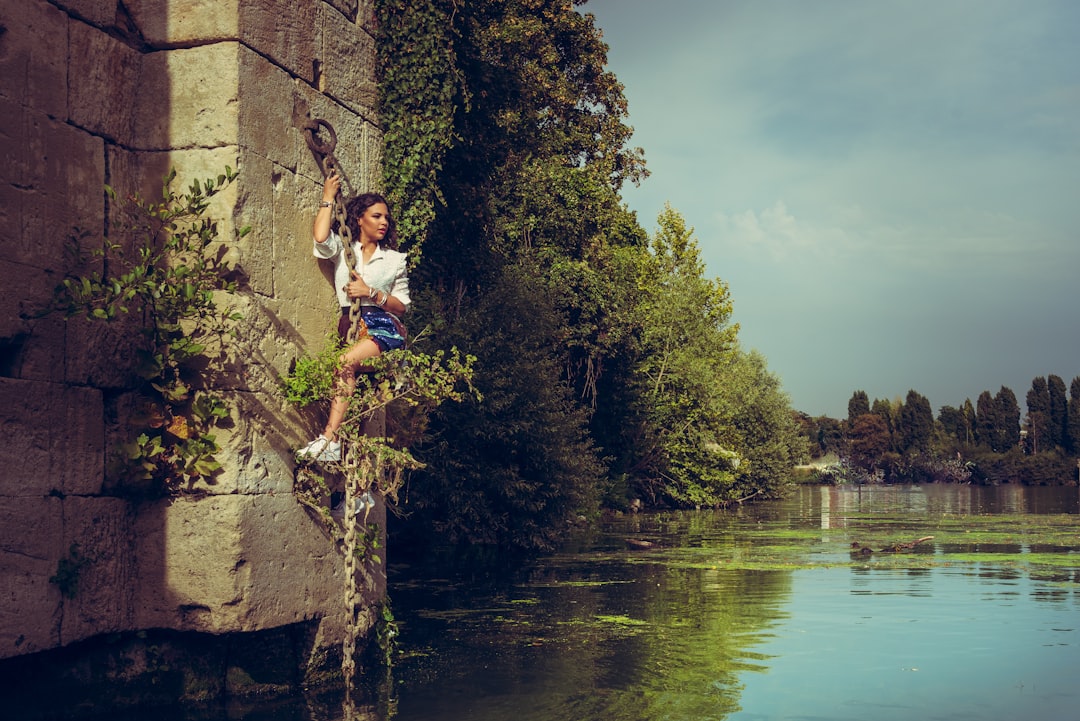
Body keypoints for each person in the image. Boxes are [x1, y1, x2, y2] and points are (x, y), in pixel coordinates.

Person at [296, 170, 410, 462]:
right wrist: (327, 198)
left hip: (383, 327)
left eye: (386, 217)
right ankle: (360, 488)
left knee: (345, 363)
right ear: (359, 219)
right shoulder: (345, 248)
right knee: (354, 397)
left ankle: (329, 440)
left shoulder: (395, 260)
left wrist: (370, 292)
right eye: (376, 216)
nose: (383, 222)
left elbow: (402, 306)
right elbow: (321, 238)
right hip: (350, 324)